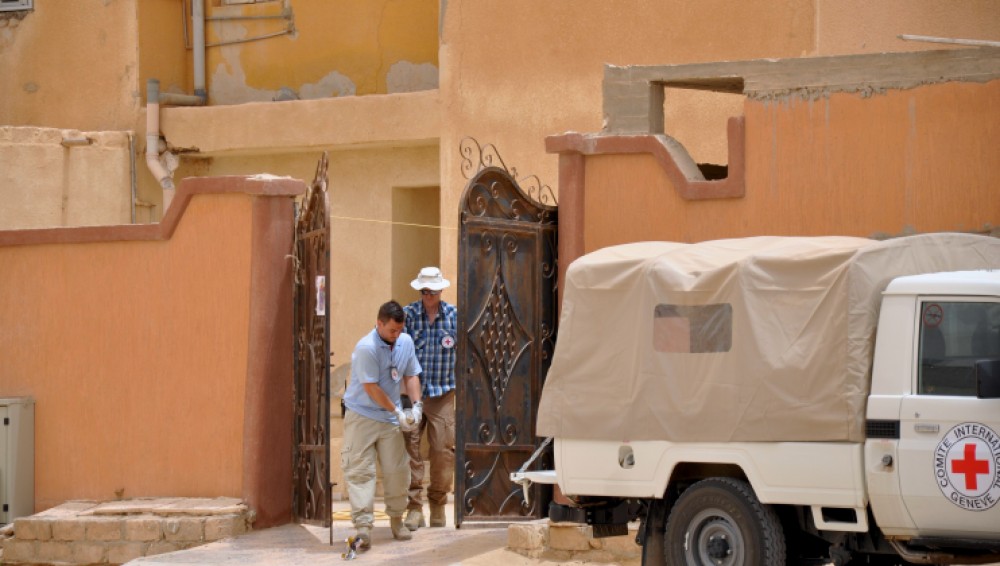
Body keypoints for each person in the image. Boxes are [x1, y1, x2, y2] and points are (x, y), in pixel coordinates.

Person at [342, 300, 423, 548]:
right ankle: (364, 527)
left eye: (399, 330)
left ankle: (397, 520)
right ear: (379, 323)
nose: (396, 336)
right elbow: (371, 388)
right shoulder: (366, 348)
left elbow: (411, 375)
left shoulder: (405, 342)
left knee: (397, 470)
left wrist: (416, 405)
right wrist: (398, 410)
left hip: (389, 418)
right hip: (362, 415)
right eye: (391, 331)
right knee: (360, 471)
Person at [401, 267, 458, 530]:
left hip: (443, 392)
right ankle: (414, 508)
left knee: (442, 450)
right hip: (412, 393)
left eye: (432, 292)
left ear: (440, 291)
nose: (428, 296)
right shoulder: (408, 315)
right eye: (424, 292)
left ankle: (437, 503)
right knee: (411, 449)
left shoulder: (454, 317)